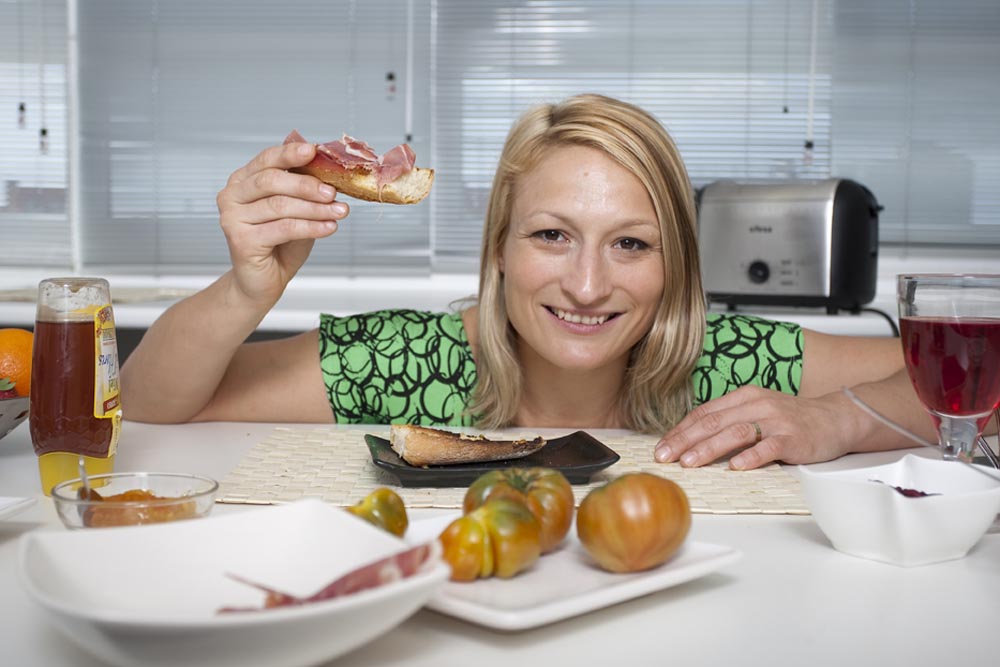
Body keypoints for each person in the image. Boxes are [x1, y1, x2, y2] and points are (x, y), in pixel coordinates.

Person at [121, 93, 934, 470]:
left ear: (675, 265)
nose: (587, 284)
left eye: (631, 244)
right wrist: (245, 289)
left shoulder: (729, 365)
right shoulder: (407, 356)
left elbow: (975, 389)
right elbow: (149, 401)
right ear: (501, 246)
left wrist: (838, 420)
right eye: (552, 235)